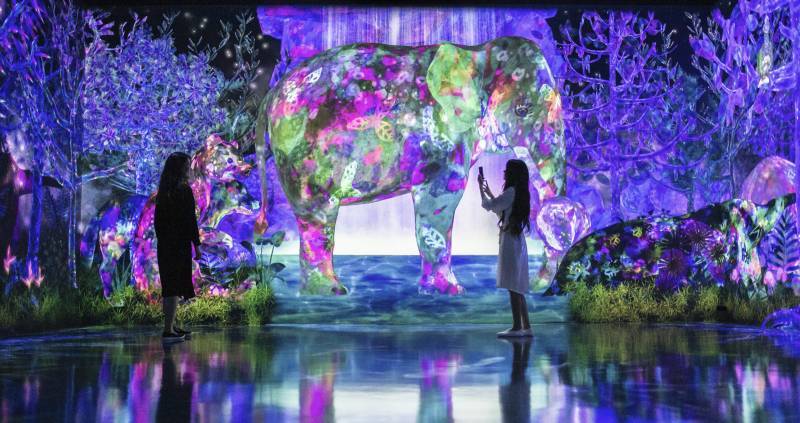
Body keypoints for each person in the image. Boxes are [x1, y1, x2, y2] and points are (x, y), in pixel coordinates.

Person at [479, 159, 533, 337]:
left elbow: (490, 206)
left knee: (512, 285)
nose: (504, 173)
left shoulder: (510, 192)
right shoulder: (518, 193)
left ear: (512, 173)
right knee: (517, 285)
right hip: (516, 240)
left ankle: (517, 327)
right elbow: (501, 209)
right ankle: (526, 327)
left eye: (507, 170)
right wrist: (489, 192)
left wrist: (481, 188)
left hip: (510, 241)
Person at [155, 152, 201, 343]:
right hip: (179, 244)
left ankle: (171, 326)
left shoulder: (163, 192)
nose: (190, 170)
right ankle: (168, 330)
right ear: (181, 170)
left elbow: (158, 222)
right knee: (174, 287)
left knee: (170, 286)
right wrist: (196, 245)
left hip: (166, 244)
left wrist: (164, 240)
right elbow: (190, 221)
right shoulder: (184, 190)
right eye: (187, 166)